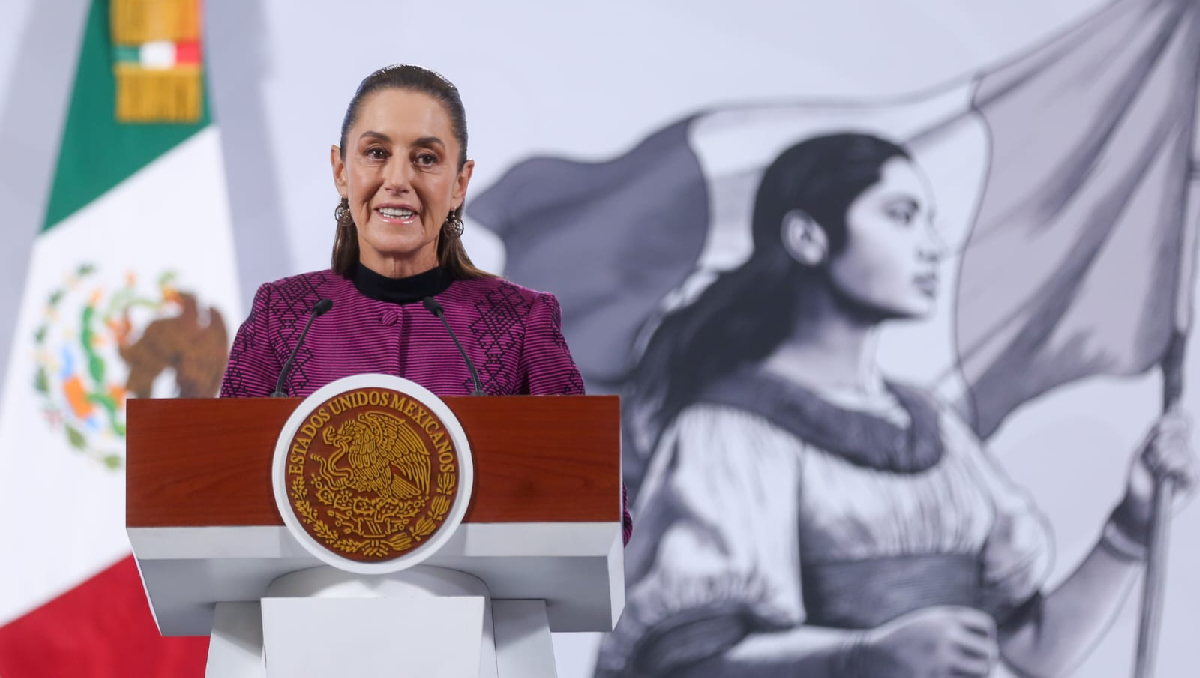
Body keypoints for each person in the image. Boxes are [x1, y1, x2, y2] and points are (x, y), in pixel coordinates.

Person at [593, 133, 1195, 676]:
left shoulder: (935, 430)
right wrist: (861, 658)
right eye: (901, 216)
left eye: (929, 221)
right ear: (808, 237)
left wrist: (1133, 522)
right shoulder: (729, 432)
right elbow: (682, 667)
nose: (933, 246)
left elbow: (1035, 650)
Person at [218, 64, 631, 545]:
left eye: (426, 158)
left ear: (459, 183)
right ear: (340, 170)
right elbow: (220, 489)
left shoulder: (521, 322)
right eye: (376, 153)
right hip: (309, 609)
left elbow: (599, 507)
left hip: (479, 614)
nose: (398, 179)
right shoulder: (282, 315)